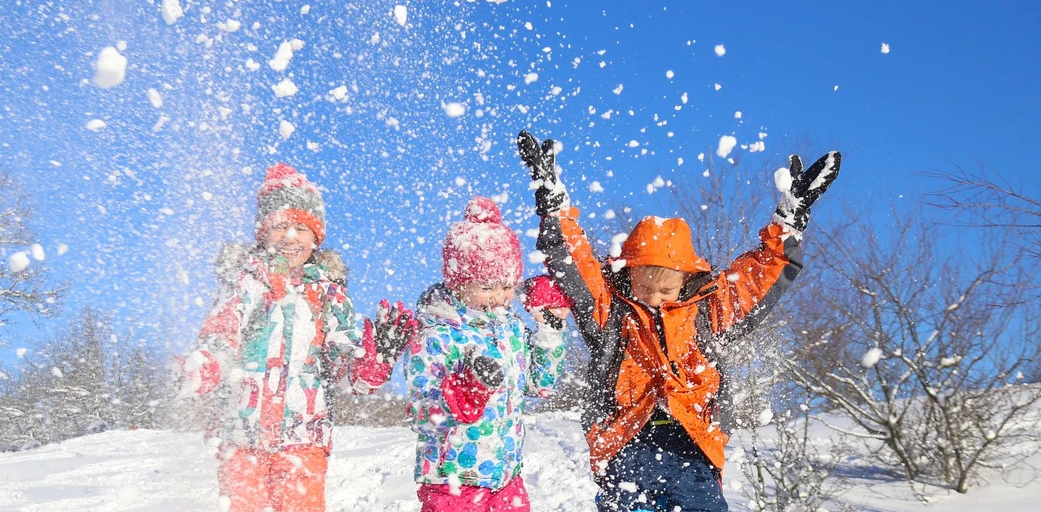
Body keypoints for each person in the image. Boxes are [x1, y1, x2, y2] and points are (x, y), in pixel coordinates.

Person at [516, 131, 841, 512]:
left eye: (666, 290)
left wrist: (788, 221)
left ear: (687, 280)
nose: (654, 298)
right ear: (628, 275)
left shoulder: (706, 310)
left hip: (691, 444)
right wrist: (554, 206)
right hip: (626, 445)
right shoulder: (612, 310)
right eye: (644, 288)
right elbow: (575, 260)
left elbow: (758, 277)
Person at [178, 163, 417, 512]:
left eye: (301, 228)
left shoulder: (328, 294)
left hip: (305, 439)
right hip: (242, 436)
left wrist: (369, 368)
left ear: (316, 236)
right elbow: (224, 331)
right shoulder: (246, 282)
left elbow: (343, 365)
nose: (291, 237)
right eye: (280, 226)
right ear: (263, 232)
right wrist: (208, 365)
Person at [405, 196, 570, 512]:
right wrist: (460, 397)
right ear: (458, 284)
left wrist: (549, 332)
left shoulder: (511, 330)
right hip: (453, 480)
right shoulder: (437, 334)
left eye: (507, 286)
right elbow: (420, 414)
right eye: (487, 287)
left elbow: (539, 385)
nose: (500, 296)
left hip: (507, 478)